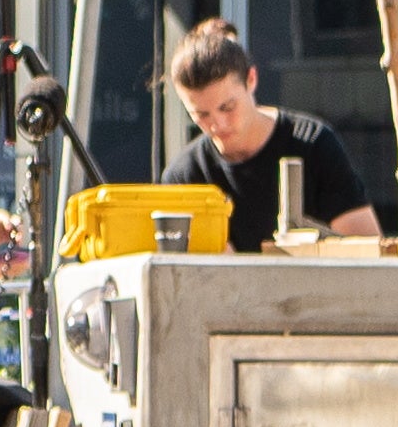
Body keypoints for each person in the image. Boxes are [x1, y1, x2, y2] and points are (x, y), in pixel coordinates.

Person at [158, 26, 383, 255]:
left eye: (228, 107)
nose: (218, 125)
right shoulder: (184, 176)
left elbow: (366, 251)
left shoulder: (313, 144)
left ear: (251, 80)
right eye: (201, 115)